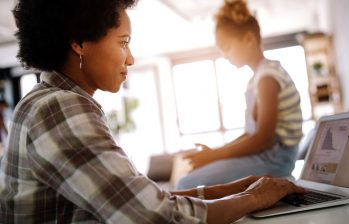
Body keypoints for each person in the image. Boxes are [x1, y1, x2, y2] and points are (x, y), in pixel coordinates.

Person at [0, 0, 306, 223]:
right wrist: (253, 197)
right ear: (79, 42)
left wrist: (234, 188)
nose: (130, 58)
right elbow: (152, 217)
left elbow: (142, 199)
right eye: (123, 42)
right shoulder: (59, 110)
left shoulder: (50, 101)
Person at [177, 0, 303, 189]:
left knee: (186, 184)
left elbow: (263, 139)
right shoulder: (258, 78)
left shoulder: (268, 78)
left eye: (227, 48)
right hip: (266, 155)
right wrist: (216, 152)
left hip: (275, 160)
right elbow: (251, 134)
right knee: (190, 179)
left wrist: (216, 155)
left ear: (249, 39)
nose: (225, 56)